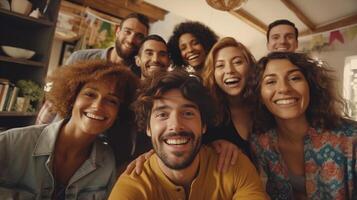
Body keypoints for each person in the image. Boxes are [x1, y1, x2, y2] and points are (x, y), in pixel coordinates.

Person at [109, 70, 267, 200]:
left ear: (203, 125)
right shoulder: (133, 184)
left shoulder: (234, 165)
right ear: (148, 128)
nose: (176, 125)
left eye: (188, 113)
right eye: (162, 114)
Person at [0, 60, 139, 199]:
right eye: (90, 94)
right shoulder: (11, 144)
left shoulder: (107, 162)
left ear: (119, 113)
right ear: (72, 98)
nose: (98, 106)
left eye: (111, 100)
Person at [250, 52, 357, 199]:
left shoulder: (351, 137)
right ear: (259, 95)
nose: (284, 89)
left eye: (294, 78)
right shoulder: (260, 143)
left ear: (311, 86)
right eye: (270, 82)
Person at [35, 13, 149, 125]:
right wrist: (39, 133)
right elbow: (53, 102)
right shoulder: (81, 58)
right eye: (127, 31)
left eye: (139, 36)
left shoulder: (138, 77)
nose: (131, 39)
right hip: (60, 131)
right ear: (118, 31)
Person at [201, 37, 256, 161]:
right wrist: (213, 145)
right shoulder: (206, 115)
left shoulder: (265, 106)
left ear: (250, 67)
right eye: (220, 65)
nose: (230, 70)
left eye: (237, 62)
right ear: (213, 74)